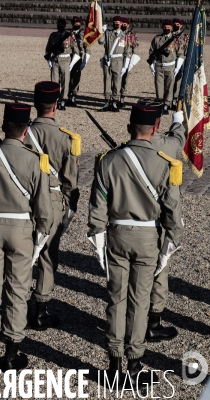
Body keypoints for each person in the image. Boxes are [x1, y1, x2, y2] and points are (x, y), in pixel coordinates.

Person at [88, 104, 183, 388]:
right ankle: (135, 364)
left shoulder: (108, 160)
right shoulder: (165, 162)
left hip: (117, 234)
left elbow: (97, 208)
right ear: (155, 130)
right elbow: (172, 209)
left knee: (116, 299)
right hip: (148, 238)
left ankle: (114, 364)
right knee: (140, 302)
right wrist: (172, 241)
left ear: (129, 126)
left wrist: (97, 238)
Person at [0, 103, 53, 371]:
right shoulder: (36, 160)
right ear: (26, 131)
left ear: (3, 127)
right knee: (18, 290)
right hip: (22, 230)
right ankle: (12, 351)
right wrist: (41, 236)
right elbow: (44, 208)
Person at [24, 81, 80, 330]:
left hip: (25, 199)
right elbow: (70, 180)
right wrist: (70, 204)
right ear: (56, 106)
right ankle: (41, 309)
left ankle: (19, 303)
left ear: (36, 105)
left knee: (24, 252)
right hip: (54, 200)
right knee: (48, 254)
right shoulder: (67, 138)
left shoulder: (23, 133)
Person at [137, 99, 185, 343]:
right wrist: (177, 120)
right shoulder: (163, 144)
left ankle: (131, 322)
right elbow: (178, 142)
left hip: (127, 224)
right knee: (159, 273)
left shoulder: (124, 149)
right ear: (156, 125)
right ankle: (153, 322)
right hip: (154, 224)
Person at [149, 20, 183, 114]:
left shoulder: (176, 39)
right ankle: (159, 103)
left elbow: (180, 54)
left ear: (172, 28)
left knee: (169, 87)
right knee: (159, 86)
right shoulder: (157, 39)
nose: (167, 28)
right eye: (165, 27)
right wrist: (151, 65)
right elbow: (151, 52)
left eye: (169, 27)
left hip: (170, 66)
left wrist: (177, 67)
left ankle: (167, 104)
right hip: (159, 66)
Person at [99, 16, 131, 112]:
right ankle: (107, 100)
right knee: (107, 80)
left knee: (117, 81)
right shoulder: (108, 33)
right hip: (107, 60)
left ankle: (115, 101)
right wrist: (102, 32)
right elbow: (100, 41)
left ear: (121, 24)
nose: (116, 24)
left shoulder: (124, 36)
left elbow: (127, 51)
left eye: (118, 22)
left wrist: (126, 65)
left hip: (118, 60)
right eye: (115, 22)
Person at [45, 18, 73, 110]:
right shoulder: (53, 35)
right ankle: (55, 99)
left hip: (65, 60)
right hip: (55, 60)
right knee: (54, 82)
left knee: (65, 81)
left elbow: (75, 50)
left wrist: (72, 63)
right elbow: (48, 48)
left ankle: (64, 99)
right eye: (58, 24)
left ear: (65, 25)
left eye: (61, 24)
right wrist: (49, 60)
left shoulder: (69, 36)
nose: (59, 26)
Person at [67, 16, 91, 107]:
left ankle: (73, 95)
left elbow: (87, 48)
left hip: (78, 58)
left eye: (78, 23)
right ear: (72, 23)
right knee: (67, 77)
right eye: (75, 23)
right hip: (69, 57)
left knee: (76, 77)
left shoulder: (83, 34)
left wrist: (85, 61)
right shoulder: (68, 33)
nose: (77, 24)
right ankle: (68, 95)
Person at [119, 17, 141, 108]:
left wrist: (132, 63)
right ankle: (114, 96)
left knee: (124, 79)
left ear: (128, 25)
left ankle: (122, 97)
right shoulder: (117, 34)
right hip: (118, 58)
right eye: (122, 24)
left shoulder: (132, 36)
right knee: (115, 77)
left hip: (127, 58)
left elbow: (136, 49)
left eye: (125, 24)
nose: (124, 26)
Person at [171, 18, 189, 109]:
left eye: (178, 24)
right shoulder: (169, 35)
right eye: (174, 24)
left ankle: (175, 99)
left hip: (180, 61)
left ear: (181, 26)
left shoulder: (185, 37)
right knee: (169, 81)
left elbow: (187, 50)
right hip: (170, 61)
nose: (176, 26)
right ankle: (167, 100)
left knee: (178, 81)